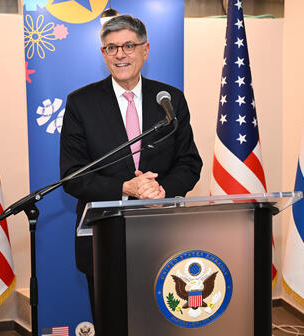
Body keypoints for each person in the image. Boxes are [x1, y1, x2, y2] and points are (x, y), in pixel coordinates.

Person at [59, 14, 202, 316]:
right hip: (103, 237)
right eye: (111, 48)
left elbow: (189, 163)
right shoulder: (80, 103)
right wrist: (125, 187)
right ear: (103, 54)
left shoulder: (170, 100)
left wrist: (161, 189)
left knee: (162, 321)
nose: (120, 54)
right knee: (111, 321)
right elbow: (72, 176)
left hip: (162, 234)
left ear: (145, 50)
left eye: (128, 45)